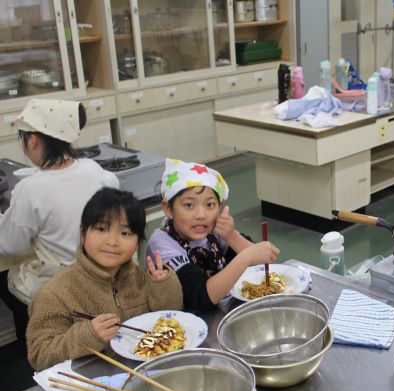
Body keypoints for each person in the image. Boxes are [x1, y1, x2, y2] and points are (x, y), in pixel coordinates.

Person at [0, 98, 119, 351]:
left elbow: (10, 244)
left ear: (33, 140)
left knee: (9, 280)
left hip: (67, 282)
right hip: (105, 272)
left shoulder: (30, 189)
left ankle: (37, 339)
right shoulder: (94, 169)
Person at [26, 188, 183, 371]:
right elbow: (40, 355)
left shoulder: (143, 278)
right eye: (101, 229)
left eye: (125, 233)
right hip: (94, 382)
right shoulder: (54, 294)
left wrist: (162, 285)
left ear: (137, 243)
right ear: (83, 233)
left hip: (150, 369)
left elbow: (172, 319)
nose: (112, 241)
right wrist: (88, 335)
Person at [146, 159, 279, 311]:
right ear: (168, 209)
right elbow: (202, 296)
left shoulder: (214, 230)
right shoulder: (162, 244)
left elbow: (261, 265)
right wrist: (246, 257)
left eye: (210, 205)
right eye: (189, 205)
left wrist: (232, 236)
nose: (201, 215)